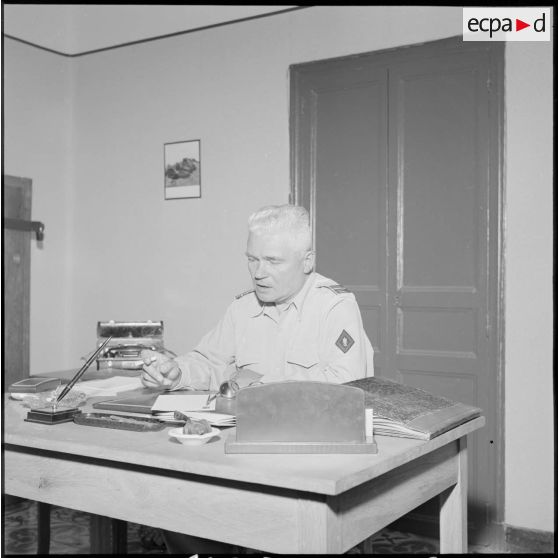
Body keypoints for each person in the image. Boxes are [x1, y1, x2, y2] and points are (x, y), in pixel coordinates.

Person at [141, 204, 374, 553]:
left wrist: (250, 383)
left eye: (273, 261)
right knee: (175, 506)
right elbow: (210, 360)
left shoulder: (334, 306)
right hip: (242, 452)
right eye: (252, 259)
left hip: (310, 457)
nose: (258, 273)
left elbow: (348, 385)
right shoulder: (242, 309)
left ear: (307, 261)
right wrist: (177, 372)